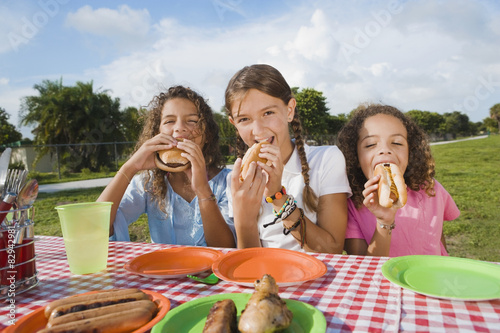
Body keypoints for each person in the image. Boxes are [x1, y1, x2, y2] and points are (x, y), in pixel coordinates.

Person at [224, 64, 351, 253]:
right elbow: (249, 263)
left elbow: (331, 249)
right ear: (234, 124)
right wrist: (244, 219)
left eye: (268, 113)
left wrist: (278, 197)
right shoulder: (236, 180)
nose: (258, 130)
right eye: (244, 119)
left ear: (289, 110)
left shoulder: (326, 159)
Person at [97, 85, 235, 248]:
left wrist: (203, 189)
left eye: (192, 121)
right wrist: (130, 167)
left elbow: (226, 246)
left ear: (207, 135)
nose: (179, 127)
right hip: (163, 272)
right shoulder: (149, 184)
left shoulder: (228, 182)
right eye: (169, 121)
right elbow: (97, 226)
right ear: (157, 132)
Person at [337, 104, 460, 257]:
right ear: (355, 157)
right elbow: (364, 267)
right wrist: (385, 221)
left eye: (397, 143)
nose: (384, 150)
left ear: (411, 152)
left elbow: (437, 236)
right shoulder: (351, 205)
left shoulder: (431, 189)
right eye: (370, 144)